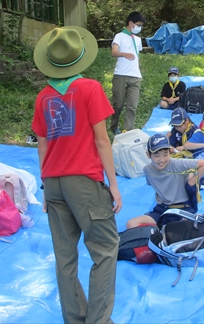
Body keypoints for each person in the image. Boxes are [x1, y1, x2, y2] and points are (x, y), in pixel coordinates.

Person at [31, 26, 122, 324]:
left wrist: (45, 186)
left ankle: (75, 318)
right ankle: (98, 321)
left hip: (54, 183)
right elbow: (101, 140)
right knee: (106, 249)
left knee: (65, 257)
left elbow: (42, 144)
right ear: (80, 57)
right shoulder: (90, 88)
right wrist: (113, 184)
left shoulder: (43, 97)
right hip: (83, 181)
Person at [126, 134, 204, 229]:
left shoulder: (177, 164)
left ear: (170, 152)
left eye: (165, 154)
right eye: (156, 155)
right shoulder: (147, 170)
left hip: (182, 209)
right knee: (131, 224)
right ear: (148, 155)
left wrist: (191, 183)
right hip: (162, 210)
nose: (161, 160)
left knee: (177, 231)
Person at [110, 11, 146, 134]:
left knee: (132, 106)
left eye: (141, 25)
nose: (139, 27)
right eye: (138, 24)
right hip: (121, 75)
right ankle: (114, 126)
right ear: (130, 23)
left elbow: (137, 55)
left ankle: (128, 130)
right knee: (118, 105)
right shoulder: (119, 36)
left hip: (135, 77)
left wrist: (139, 67)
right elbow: (114, 52)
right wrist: (124, 54)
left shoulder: (138, 39)